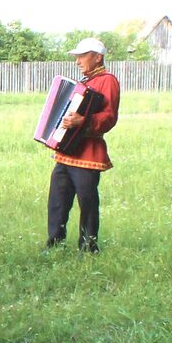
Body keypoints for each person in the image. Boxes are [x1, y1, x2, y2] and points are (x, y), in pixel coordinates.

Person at [46, 36, 121, 253]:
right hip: (67, 152)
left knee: (87, 202)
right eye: (77, 57)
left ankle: (88, 247)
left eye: (82, 56)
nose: (78, 61)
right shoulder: (85, 83)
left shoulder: (108, 80)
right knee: (58, 201)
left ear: (97, 57)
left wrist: (84, 121)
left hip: (88, 154)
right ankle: (54, 244)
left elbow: (109, 117)